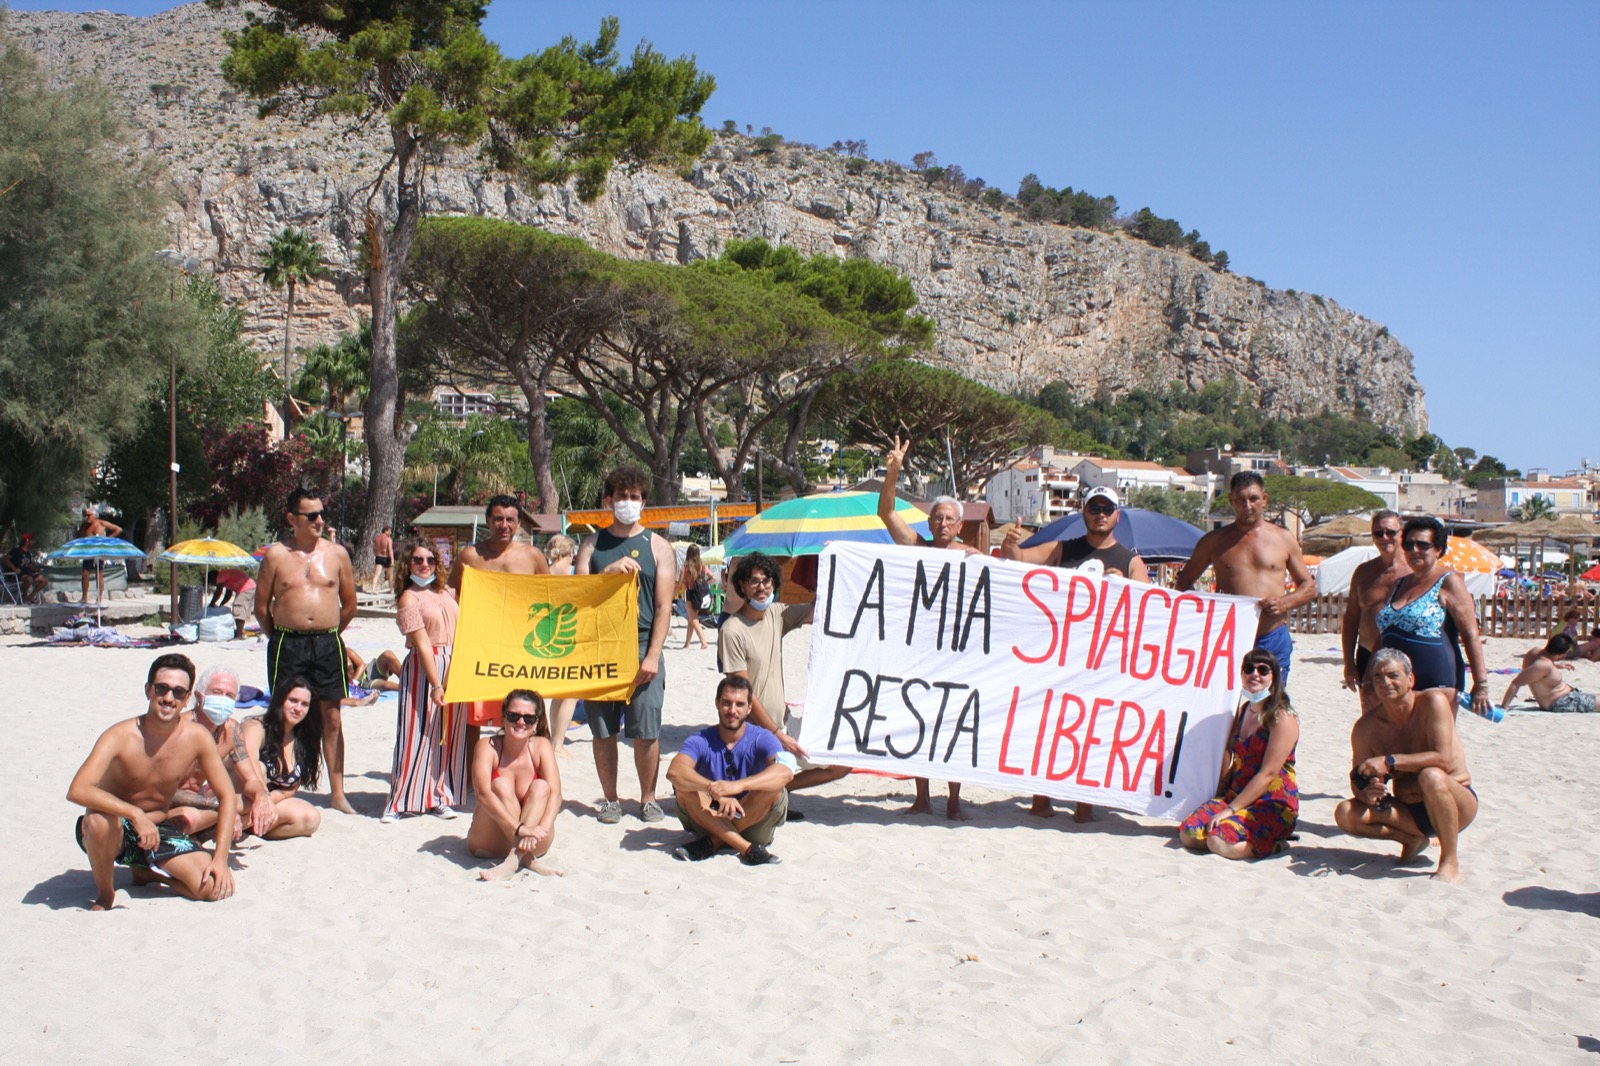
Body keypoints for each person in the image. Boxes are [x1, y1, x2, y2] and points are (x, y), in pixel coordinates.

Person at [1003, 485, 1150, 821]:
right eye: (1094, 508)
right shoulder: (1062, 549)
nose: (1100, 514)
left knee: (1093, 732)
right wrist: (1011, 544)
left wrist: (1126, 586)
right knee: (1050, 726)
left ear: (1117, 514)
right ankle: (1042, 798)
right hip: (1060, 656)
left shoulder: (1130, 561)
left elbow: (1151, 605)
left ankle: (1085, 803)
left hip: (1104, 661)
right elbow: (1020, 560)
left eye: (1106, 508)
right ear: (1083, 512)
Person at [66, 653, 237, 910]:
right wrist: (134, 813)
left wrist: (221, 859)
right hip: (115, 829)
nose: (169, 698)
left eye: (178, 692)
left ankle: (149, 872)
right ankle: (105, 893)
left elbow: (227, 796)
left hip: (158, 830)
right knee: (98, 820)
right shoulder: (120, 736)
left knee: (212, 888)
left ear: (187, 698)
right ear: (148, 690)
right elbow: (77, 790)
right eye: (162, 688)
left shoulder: (196, 737)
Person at [879, 434, 980, 820]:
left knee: (953, 725)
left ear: (959, 524)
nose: (942, 523)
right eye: (936, 517)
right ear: (929, 522)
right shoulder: (918, 549)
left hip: (958, 652)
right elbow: (886, 512)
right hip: (920, 650)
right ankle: (923, 796)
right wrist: (893, 473)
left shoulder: (973, 558)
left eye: (949, 518)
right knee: (919, 722)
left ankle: (953, 799)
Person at [576, 466, 675, 824]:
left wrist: (652, 656)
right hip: (600, 645)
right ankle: (610, 799)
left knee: (646, 730)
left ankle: (648, 798)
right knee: (603, 730)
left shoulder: (659, 547)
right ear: (608, 500)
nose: (628, 503)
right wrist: (604, 574)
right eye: (621, 496)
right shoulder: (591, 544)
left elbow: (665, 607)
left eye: (635, 497)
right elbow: (577, 597)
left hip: (642, 644)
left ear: (644, 501)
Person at [254, 487, 359, 813]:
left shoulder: (337, 554)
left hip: (327, 642)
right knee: (285, 715)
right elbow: (261, 608)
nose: (319, 520)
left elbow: (350, 604)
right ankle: (283, 781)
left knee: (332, 717)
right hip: (288, 642)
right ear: (291, 518)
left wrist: (329, 635)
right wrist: (283, 637)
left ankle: (338, 793)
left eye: (321, 513)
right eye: (311, 515)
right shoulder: (276, 556)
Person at [1334, 648, 1478, 882]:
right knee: (1345, 813)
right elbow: (1358, 779)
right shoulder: (1366, 728)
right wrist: (1367, 793)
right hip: (1409, 810)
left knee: (1431, 776)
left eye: (1393, 675)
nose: (1385, 682)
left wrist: (1389, 761)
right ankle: (1410, 839)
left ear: (1410, 679)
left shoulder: (1432, 703)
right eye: (1378, 677)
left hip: (1455, 802)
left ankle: (1449, 860)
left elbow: (1442, 758)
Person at [719, 552, 849, 806]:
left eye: (767, 581)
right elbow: (742, 695)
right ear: (742, 585)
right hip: (753, 730)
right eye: (754, 581)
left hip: (784, 721)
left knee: (842, 764)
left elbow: (818, 612)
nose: (762, 587)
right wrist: (777, 734)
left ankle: (777, 792)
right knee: (779, 768)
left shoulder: (776, 614)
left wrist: (833, 562)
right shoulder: (732, 630)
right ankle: (767, 793)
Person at [1176, 471, 1317, 686]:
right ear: (1232, 500)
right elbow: (1184, 582)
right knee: (1226, 707)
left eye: (1253, 499)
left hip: (1271, 635)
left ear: (1264, 499)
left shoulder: (1283, 538)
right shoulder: (1214, 542)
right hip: (1229, 638)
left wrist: (1284, 602)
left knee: (1271, 706)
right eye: (1240, 500)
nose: (1247, 506)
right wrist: (1205, 613)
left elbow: (1309, 587)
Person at [1177, 649, 1299, 859]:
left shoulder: (1282, 718)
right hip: (1237, 794)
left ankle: (1275, 845)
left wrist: (1230, 810)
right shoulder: (1244, 711)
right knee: (1189, 834)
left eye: (1263, 670)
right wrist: (1220, 794)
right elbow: (1231, 756)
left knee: (1219, 842)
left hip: (1271, 802)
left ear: (1274, 677)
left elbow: (1268, 774)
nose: (1255, 674)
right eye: (1249, 669)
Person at [447, 495, 548, 740]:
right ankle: (472, 775)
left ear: (519, 522)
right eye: (498, 519)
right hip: (480, 646)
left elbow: (550, 597)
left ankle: (535, 768)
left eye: (510, 520)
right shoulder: (471, 556)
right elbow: (449, 595)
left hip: (521, 645)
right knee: (473, 715)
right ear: (488, 521)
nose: (504, 525)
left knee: (530, 709)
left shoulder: (532, 556)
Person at [665, 675, 794, 866]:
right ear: (717, 703)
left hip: (753, 819)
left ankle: (712, 842)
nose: (732, 710)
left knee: (774, 787)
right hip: (710, 817)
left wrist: (736, 786)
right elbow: (674, 772)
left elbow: (786, 772)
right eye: (726, 703)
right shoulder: (700, 739)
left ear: (749, 708)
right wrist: (714, 789)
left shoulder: (762, 738)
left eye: (739, 704)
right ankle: (747, 849)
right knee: (684, 787)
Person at [381, 540, 467, 823]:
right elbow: (421, 643)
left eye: (430, 559)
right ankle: (399, 800)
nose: (425, 564)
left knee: (447, 734)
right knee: (414, 733)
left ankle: (439, 795)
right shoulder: (409, 598)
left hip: (455, 663)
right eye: (418, 559)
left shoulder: (447, 592)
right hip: (424, 666)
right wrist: (436, 684)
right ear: (409, 563)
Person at [1374, 516, 1491, 717]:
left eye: (1422, 545)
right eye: (1409, 545)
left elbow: (1471, 634)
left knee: (1436, 743)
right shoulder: (1399, 584)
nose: (1414, 551)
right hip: (1395, 682)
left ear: (1438, 549)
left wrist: (1481, 684)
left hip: (1437, 679)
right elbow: (1384, 635)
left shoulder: (1449, 582)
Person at [166, 665, 278, 840]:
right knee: (190, 817)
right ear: (199, 696)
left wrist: (262, 795)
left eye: (230, 695)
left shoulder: (231, 730)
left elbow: (250, 779)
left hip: (201, 801)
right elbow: (165, 790)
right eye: (217, 692)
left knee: (251, 801)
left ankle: (202, 834)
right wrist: (221, 806)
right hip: (167, 804)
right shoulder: (178, 729)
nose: (223, 700)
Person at [466, 689, 563, 880]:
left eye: (528, 718)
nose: (520, 722)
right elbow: (482, 794)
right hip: (488, 841)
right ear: (503, 718)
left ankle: (514, 859)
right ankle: (526, 860)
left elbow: (556, 794)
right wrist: (520, 830)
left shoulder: (541, 745)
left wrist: (541, 829)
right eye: (514, 716)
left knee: (542, 787)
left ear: (536, 723)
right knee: (500, 785)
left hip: (534, 842)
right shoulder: (487, 746)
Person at [1340, 511, 1411, 710]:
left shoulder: (1414, 572)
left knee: (1404, 716)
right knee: (1371, 717)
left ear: (1401, 533)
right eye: (1378, 533)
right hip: (1367, 652)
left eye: (1390, 532)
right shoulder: (1363, 573)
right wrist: (1349, 662)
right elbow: (1352, 619)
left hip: (1405, 656)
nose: (1384, 537)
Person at [238, 677, 325, 840]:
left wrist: (269, 801)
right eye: (293, 701)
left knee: (311, 818)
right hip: (239, 794)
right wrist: (262, 797)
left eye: (304, 704)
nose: (298, 708)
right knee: (261, 769)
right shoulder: (256, 727)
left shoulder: (303, 739)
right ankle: (230, 823)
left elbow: (290, 789)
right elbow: (247, 764)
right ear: (280, 700)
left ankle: (250, 826)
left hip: (267, 801)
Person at [540, 534, 581, 756]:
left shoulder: (542, 572)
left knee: (556, 691)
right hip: (568, 634)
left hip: (545, 633)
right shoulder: (574, 574)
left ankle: (551, 738)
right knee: (569, 694)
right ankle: (557, 743)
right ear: (570, 553)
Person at [1502, 633, 1596, 712]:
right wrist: (1504, 707)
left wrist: (1557, 666)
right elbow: (1516, 683)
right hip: (1562, 702)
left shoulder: (1535, 652)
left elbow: (1537, 669)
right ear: (1562, 654)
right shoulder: (1543, 666)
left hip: (1567, 697)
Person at [76, 507, 124, 603]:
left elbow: (118, 529)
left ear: (94, 515)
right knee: (85, 574)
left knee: (99, 574)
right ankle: (84, 597)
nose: (87, 517)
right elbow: (78, 536)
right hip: (89, 551)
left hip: (99, 550)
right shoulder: (85, 526)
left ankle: (99, 598)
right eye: (85, 515)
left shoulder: (101, 523)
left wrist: (107, 539)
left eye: (89, 515)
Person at [679, 544, 711, 650]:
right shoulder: (702, 566)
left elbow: (680, 584)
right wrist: (704, 583)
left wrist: (675, 590)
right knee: (690, 620)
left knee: (693, 619)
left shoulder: (686, 567)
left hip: (690, 594)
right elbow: (713, 577)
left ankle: (703, 642)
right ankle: (687, 643)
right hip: (700, 594)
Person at [3, 532, 47, 604]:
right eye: (32, 540)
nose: (33, 542)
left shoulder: (28, 553)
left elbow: (28, 565)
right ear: (27, 541)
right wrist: (14, 568)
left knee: (44, 579)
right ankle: (25, 596)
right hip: (16, 575)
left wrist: (35, 569)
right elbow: (4, 559)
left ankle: (32, 596)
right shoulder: (16, 551)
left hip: (27, 574)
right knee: (29, 578)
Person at [372, 526, 393, 592]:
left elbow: (374, 549)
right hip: (386, 558)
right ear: (385, 531)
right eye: (389, 531)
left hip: (378, 557)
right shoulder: (388, 539)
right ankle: (392, 590)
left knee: (376, 574)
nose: (390, 532)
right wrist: (392, 560)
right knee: (390, 575)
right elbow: (390, 550)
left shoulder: (376, 538)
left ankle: (373, 589)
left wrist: (376, 555)